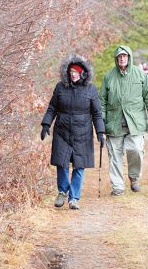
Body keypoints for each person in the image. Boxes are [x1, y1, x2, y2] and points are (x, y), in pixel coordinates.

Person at [40, 54, 105, 210]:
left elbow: (97, 113)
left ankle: (74, 198)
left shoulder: (91, 89)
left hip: (82, 133)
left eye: (75, 72)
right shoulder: (60, 87)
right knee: (61, 163)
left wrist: (101, 132)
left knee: (79, 166)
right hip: (62, 131)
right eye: (71, 72)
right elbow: (52, 108)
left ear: (82, 73)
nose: (73, 74)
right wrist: (46, 124)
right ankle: (62, 191)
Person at [100, 45, 148, 194]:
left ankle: (134, 177)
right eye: (119, 56)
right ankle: (118, 187)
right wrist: (101, 122)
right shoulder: (109, 76)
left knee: (136, 150)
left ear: (129, 57)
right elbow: (102, 102)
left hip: (135, 122)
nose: (122, 58)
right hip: (114, 123)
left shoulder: (140, 75)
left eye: (124, 56)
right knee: (114, 156)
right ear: (116, 59)